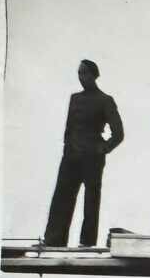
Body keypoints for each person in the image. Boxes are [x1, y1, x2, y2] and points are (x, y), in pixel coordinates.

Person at [42, 59, 124, 247]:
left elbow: (119, 133)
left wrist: (102, 149)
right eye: (79, 73)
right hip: (71, 156)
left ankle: (86, 242)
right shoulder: (75, 98)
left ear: (94, 75)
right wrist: (67, 148)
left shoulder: (105, 100)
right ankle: (54, 240)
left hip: (92, 158)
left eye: (85, 73)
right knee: (62, 197)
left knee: (91, 200)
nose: (81, 77)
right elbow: (69, 128)